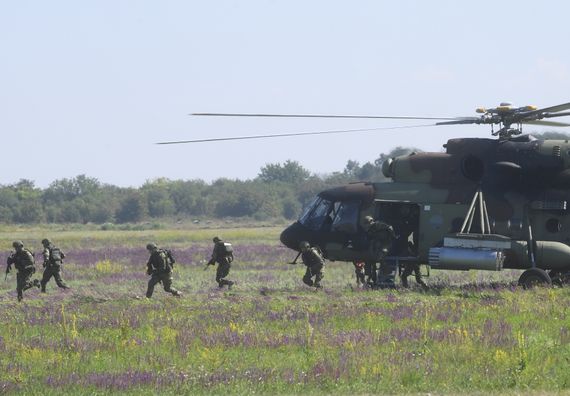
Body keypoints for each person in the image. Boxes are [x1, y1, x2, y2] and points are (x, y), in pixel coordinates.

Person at [364, 216, 397, 287]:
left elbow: (390, 228)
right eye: (366, 224)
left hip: (386, 243)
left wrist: (393, 237)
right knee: (371, 258)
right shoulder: (369, 229)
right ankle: (373, 278)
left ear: (371, 221)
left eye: (368, 223)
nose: (367, 225)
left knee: (382, 255)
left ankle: (386, 271)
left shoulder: (379, 224)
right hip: (378, 244)